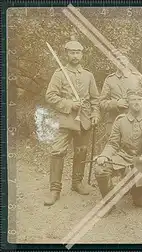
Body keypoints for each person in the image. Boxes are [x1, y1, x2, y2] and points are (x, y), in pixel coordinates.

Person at [44, 36, 99, 206]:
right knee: (57, 152)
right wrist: (69, 104)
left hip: (84, 120)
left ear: (82, 55)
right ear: (66, 54)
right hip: (65, 120)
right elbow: (50, 96)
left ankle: (77, 183)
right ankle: (55, 189)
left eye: (78, 52)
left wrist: (96, 114)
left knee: (81, 151)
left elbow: (95, 99)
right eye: (72, 52)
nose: (75, 55)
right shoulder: (59, 74)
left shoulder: (88, 75)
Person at [94, 88, 142, 215]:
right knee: (100, 169)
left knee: (140, 203)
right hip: (124, 157)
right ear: (128, 102)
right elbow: (113, 143)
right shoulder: (120, 120)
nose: (136, 102)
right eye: (133, 99)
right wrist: (105, 155)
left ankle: (136, 188)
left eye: (139, 99)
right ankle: (109, 203)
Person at [99, 48, 142, 136]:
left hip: (135, 122)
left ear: (128, 61)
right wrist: (116, 103)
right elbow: (101, 102)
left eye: (124, 59)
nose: (121, 62)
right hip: (114, 122)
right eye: (118, 59)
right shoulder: (110, 79)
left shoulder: (138, 78)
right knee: (113, 147)